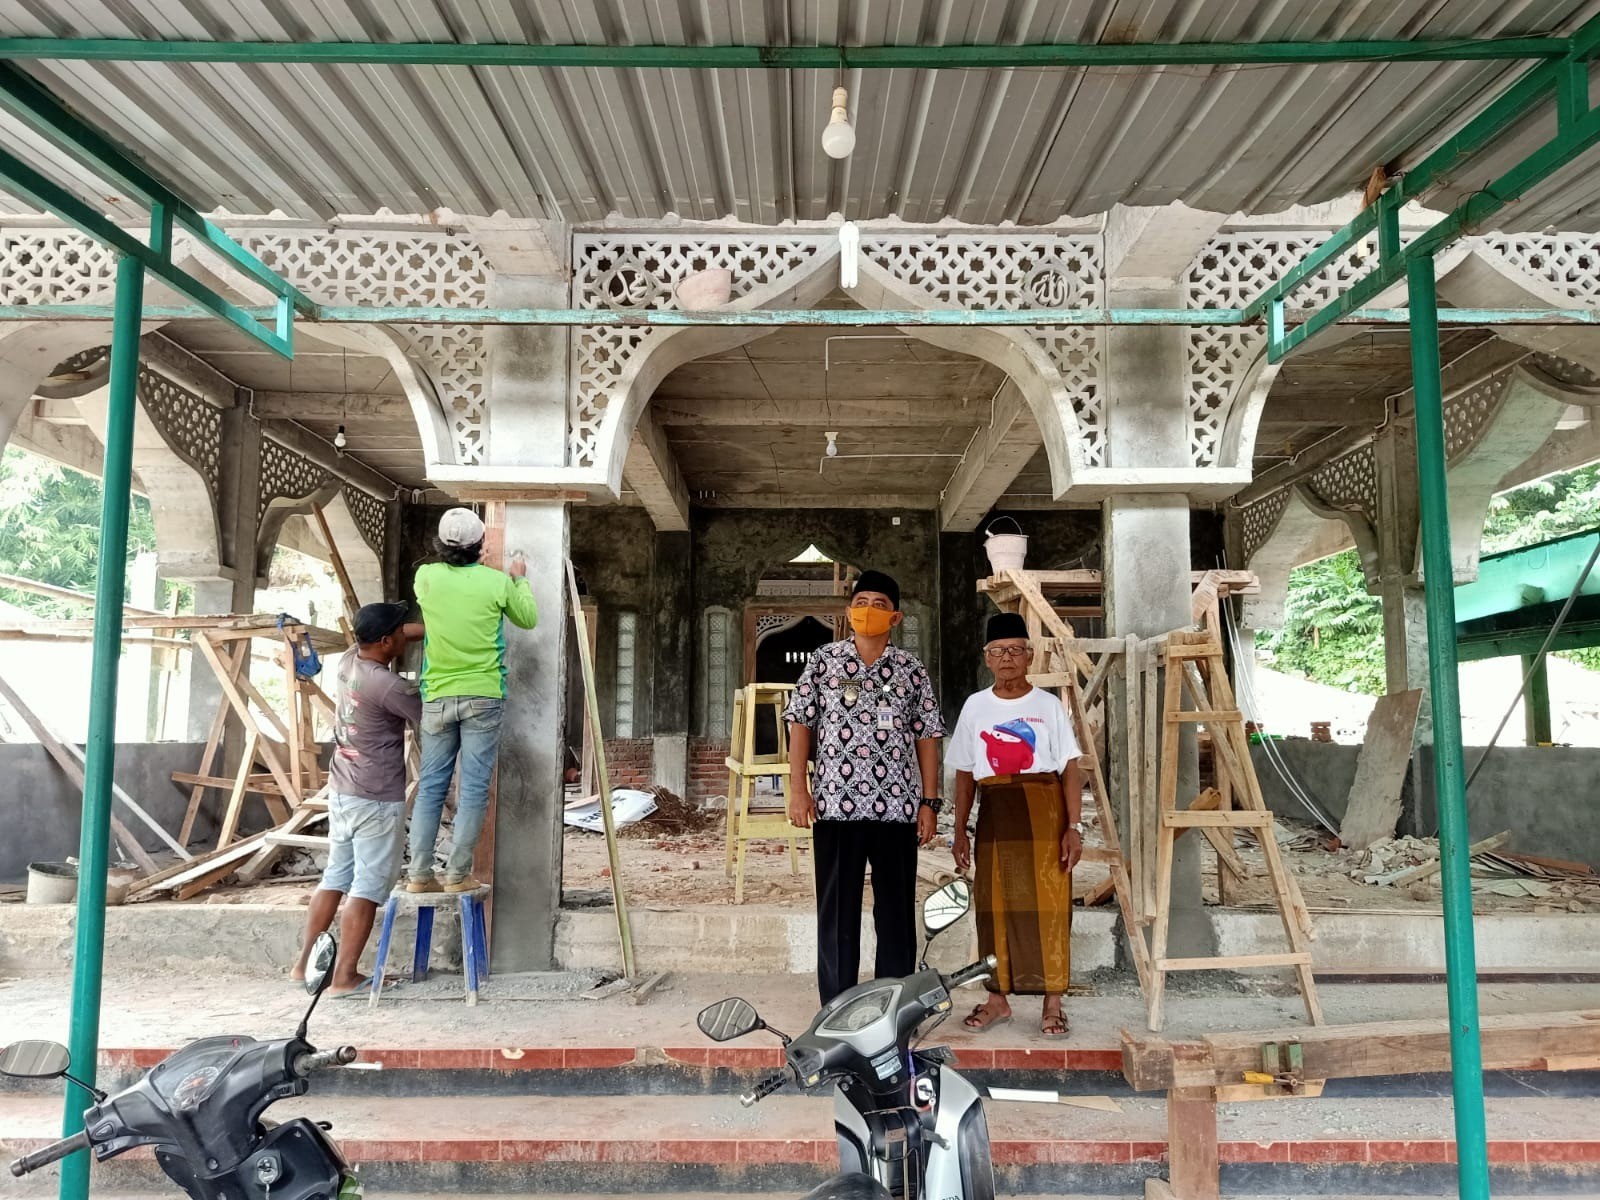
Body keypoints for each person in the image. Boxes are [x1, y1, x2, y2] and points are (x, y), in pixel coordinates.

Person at [784, 569, 945, 1004]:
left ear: (895, 618)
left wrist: (929, 802)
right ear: (848, 612)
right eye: (861, 603)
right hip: (836, 806)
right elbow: (800, 723)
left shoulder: (911, 670)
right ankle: (836, 1008)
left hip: (897, 809)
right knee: (837, 915)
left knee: (895, 915)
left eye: (879, 605)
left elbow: (927, 735)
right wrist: (799, 790)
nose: (868, 611)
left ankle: (893, 1007)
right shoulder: (824, 661)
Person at [948, 611, 1083, 1036]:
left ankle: (1053, 1003)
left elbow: (1070, 768)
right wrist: (959, 831)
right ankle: (997, 999)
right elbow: (966, 773)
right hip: (995, 815)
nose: (1007, 658)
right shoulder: (975, 705)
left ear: (1029, 656)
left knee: (1050, 906)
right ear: (987, 658)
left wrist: (1074, 826)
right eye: (997, 651)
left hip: (1046, 815)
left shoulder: (1048, 705)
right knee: (993, 907)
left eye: (1015, 650)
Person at [405, 507, 539, 893]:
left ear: (441, 546)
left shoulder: (426, 577)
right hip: (483, 695)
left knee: (431, 786)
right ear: (481, 545)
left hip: (438, 696)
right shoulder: (496, 583)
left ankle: (418, 875)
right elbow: (528, 618)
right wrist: (519, 581)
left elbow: (443, 581)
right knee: (474, 788)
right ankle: (458, 875)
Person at [292, 602, 421, 995]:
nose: (406, 634)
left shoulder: (349, 661)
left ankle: (302, 968)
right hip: (376, 799)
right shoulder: (390, 687)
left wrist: (437, 627)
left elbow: (403, 634)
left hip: (344, 790)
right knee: (366, 888)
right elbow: (429, 716)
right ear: (385, 642)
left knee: (335, 877)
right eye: (399, 631)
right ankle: (345, 977)